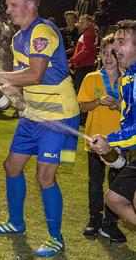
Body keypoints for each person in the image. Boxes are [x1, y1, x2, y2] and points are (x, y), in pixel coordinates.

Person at [0, 0, 80, 257]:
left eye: (13, 5)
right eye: (8, 5)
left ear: (31, 4)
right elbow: (23, 77)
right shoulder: (18, 37)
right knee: (11, 165)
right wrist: (9, 88)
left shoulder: (42, 31)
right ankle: (16, 223)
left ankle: (56, 238)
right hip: (33, 115)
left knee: (45, 176)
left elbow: (35, 75)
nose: (8, 10)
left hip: (57, 117)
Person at [77, 34, 126, 242]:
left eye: (112, 54)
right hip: (95, 141)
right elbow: (82, 106)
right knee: (95, 182)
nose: (107, 58)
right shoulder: (92, 78)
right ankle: (94, 219)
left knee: (117, 184)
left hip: (119, 143)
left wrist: (120, 105)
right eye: (104, 53)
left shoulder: (128, 80)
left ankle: (110, 223)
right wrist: (98, 101)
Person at [89, 19, 136, 228]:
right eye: (115, 42)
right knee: (114, 198)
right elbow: (129, 122)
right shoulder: (128, 78)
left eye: (121, 42)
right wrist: (114, 145)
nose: (115, 48)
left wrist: (111, 140)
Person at [69, 14, 98, 91]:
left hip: (84, 66)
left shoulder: (89, 34)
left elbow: (85, 51)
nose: (80, 25)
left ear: (89, 23)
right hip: (84, 65)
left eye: (82, 23)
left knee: (82, 90)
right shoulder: (88, 32)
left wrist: (72, 60)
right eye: (79, 23)